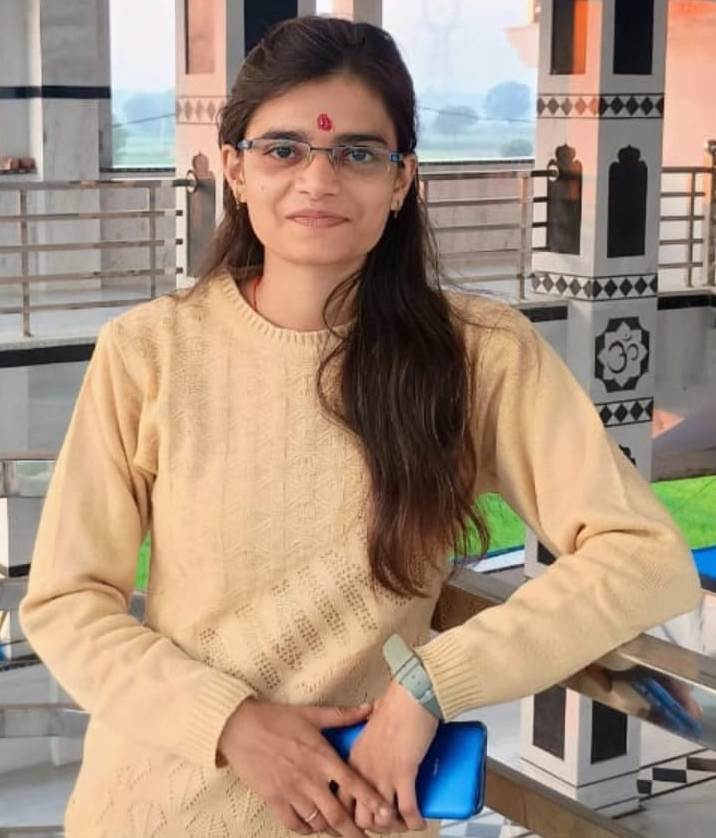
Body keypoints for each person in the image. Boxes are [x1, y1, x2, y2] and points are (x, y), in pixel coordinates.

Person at [19, 15, 703, 838]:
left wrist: (432, 684)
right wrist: (229, 721)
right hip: (156, 808)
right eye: (284, 149)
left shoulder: (477, 356)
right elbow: (66, 603)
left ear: (402, 178)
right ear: (234, 168)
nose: (318, 180)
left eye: (358, 153)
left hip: (362, 813)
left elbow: (640, 556)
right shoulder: (148, 352)